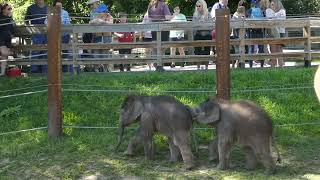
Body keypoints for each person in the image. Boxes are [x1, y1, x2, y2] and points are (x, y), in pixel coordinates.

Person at [45, 0, 73, 72]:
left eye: (60, 6)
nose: (59, 7)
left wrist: (61, 23)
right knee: (54, 52)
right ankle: (54, 70)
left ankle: (64, 69)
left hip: (64, 35)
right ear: (55, 6)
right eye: (57, 6)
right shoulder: (51, 12)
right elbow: (45, 22)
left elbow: (68, 23)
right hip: (54, 36)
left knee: (64, 52)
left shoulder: (65, 13)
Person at [147, 0, 171, 71]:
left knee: (155, 47)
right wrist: (173, 16)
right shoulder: (164, 4)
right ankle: (160, 66)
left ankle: (156, 65)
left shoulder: (150, 5)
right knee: (162, 48)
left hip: (154, 28)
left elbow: (149, 18)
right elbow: (167, 17)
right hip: (163, 29)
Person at [89, 3, 113, 72]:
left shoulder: (110, 17)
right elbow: (90, 22)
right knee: (96, 53)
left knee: (105, 54)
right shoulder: (97, 17)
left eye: (101, 12)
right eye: (99, 12)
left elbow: (110, 23)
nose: (99, 13)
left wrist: (102, 21)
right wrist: (97, 21)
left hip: (107, 37)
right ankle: (97, 69)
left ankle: (105, 70)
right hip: (97, 37)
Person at [25, 0, 48, 73]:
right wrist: (29, 30)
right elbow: (26, 20)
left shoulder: (49, 8)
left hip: (47, 33)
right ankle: (34, 70)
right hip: (36, 33)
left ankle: (45, 69)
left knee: (46, 51)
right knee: (35, 51)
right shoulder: (30, 8)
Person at [193, 0, 211, 70]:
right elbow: (193, 26)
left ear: (203, 6)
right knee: (197, 51)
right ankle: (198, 67)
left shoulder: (208, 14)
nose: (197, 7)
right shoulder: (195, 14)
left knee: (207, 51)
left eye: (199, 6)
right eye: (196, 6)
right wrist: (199, 24)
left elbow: (211, 26)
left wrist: (204, 23)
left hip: (207, 34)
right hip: (198, 33)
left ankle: (206, 67)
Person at [260, 0, 278, 68]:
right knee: (272, 47)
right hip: (271, 30)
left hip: (271, 30)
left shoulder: (268, 10)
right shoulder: (268, 10)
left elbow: (270, 21)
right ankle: (273, 63)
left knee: (273, 47)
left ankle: (273, 64)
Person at [248, 0, 265, 68]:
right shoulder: (261, 10)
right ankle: (262, 65)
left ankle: (250, 65)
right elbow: (264, 19)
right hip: (260, 30)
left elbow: (247, 19)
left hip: (252, 30)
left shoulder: (250, 10)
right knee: (261, 48)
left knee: (251, 48)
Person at [0, 3, 15, 76]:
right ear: (3, 10)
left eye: (10, 8)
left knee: (4, 56)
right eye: (8, 9)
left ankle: (2, 73)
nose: (10, 10)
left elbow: (12, 28)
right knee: (4, 53)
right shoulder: (1, 17)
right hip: (1, 38)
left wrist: (12, 35)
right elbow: (3, 26)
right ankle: (15, 54)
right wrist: (9, 18)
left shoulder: (10, 17)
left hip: (8, 38)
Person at [272, 0, 286, 67]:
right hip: (277, 31)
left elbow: (279, 19)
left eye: (274, 4)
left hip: (280, 31)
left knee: (279, 48)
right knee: (276, 48)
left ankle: (281, 63)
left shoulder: (282, 11)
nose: (273, 6)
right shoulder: (277, 12)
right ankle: (278, 63)